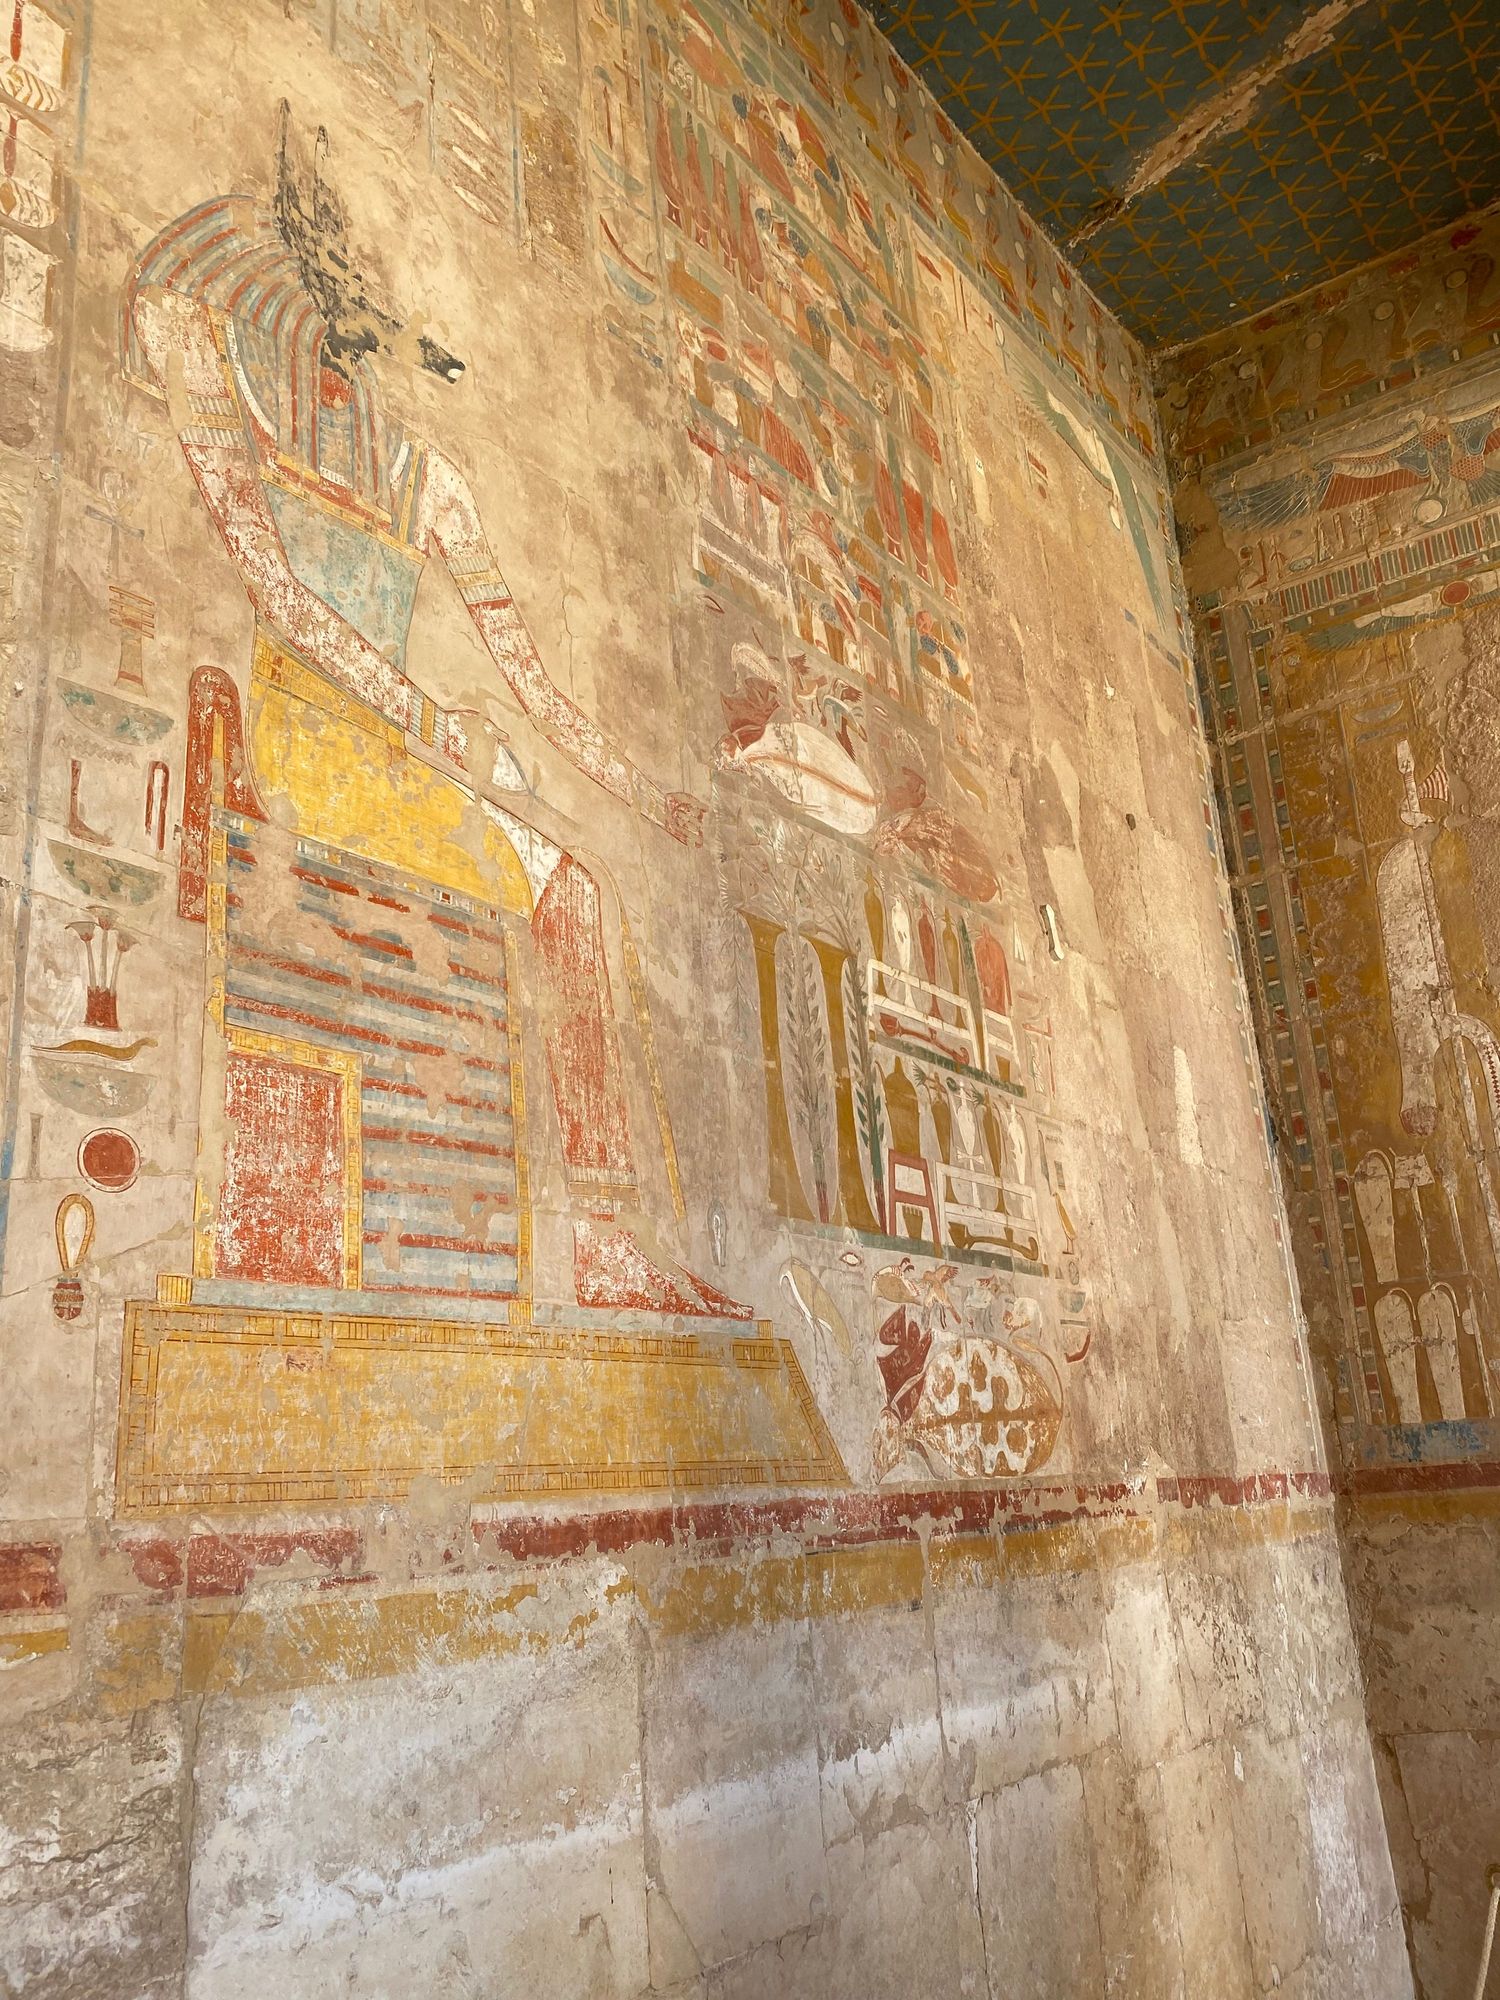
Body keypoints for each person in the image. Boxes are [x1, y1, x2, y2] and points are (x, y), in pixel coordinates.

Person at [125, 113, 747, 1319]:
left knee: (579, 886)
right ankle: (602, 1243)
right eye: (338, 281)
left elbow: (532, 680)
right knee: (564, 887)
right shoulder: (225, 373)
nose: (361, 324)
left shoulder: (429, 479)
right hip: (303, 738)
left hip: (397, 753)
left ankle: (607, 1238)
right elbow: (277, 593)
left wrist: (645, 792)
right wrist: (429, 713)